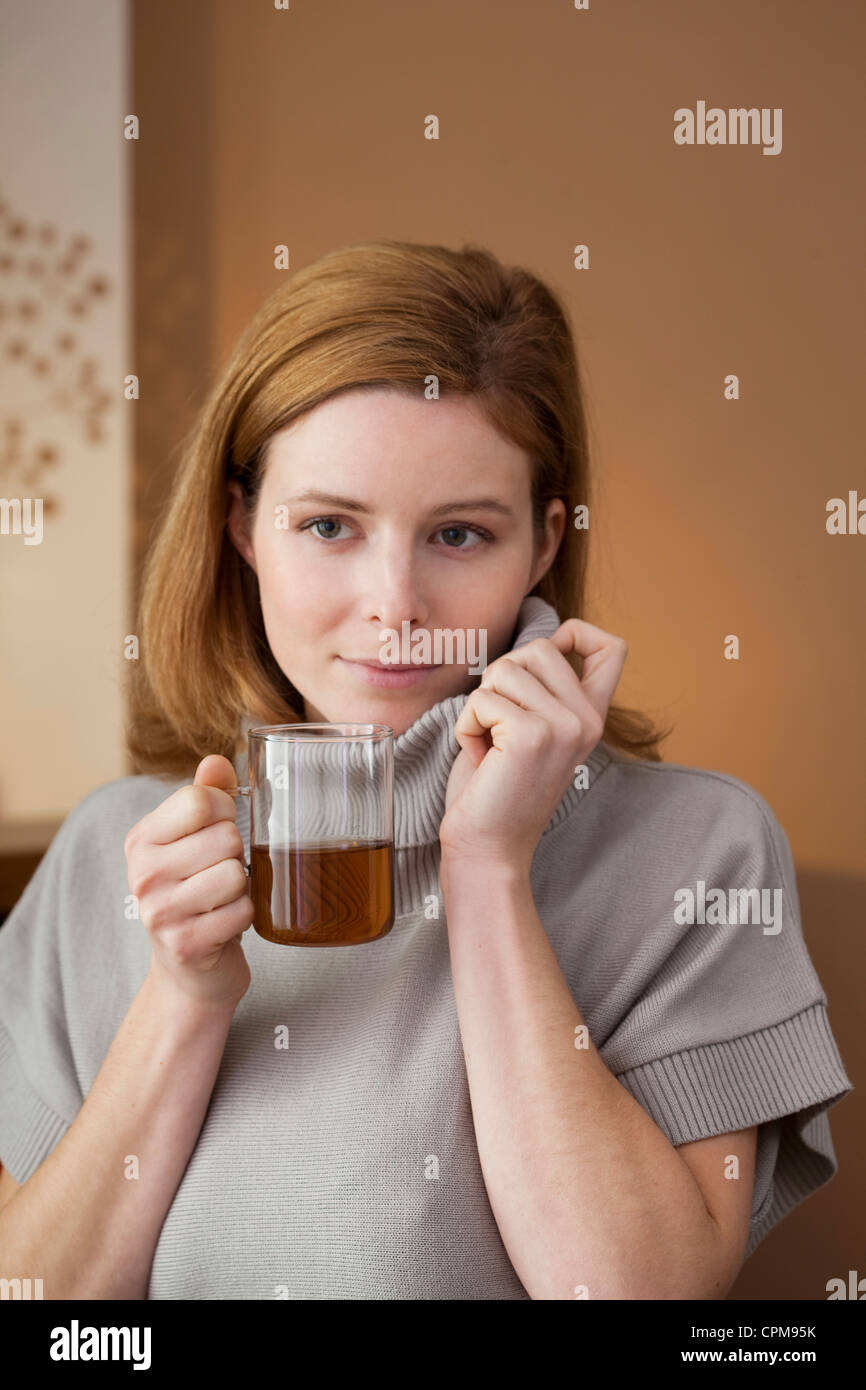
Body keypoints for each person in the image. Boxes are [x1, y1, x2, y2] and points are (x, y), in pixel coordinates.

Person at [0, 240, 852, 1300]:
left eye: (456, 534)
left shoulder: (698, 850)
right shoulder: (110, 854)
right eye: (327, 525)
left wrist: (487, 868)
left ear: (541, 546)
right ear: (240, 528)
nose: (393, 605)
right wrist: (179, 1001)